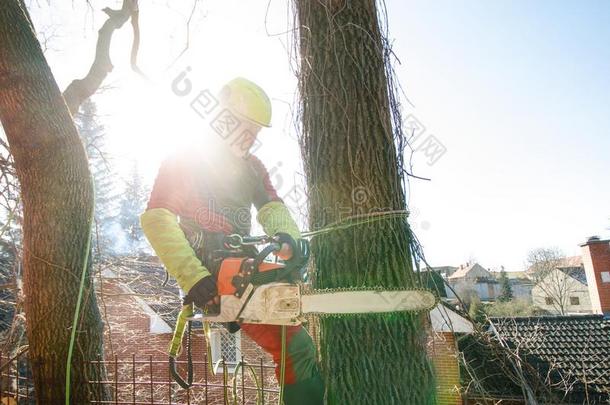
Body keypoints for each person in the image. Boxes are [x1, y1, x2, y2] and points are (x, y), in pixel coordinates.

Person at [140, 77, 324, 404]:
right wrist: (194, 277)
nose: (251, 138)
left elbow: (272, 207)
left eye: (256, 131)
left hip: (242, 265)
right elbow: (157, 218)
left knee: (298, 346)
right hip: (207, 268)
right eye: (245, 127)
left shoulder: (253, 167)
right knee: (297, 349)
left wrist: (289, 240)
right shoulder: (185, 159)